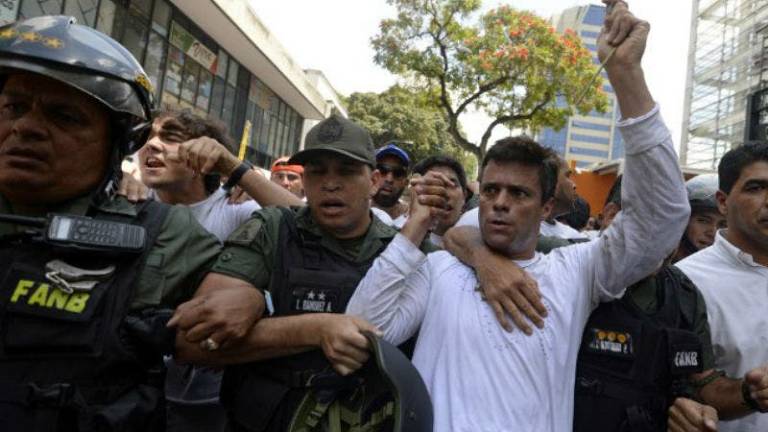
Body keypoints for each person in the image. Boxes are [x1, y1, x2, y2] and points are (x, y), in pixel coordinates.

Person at [346, 3, 692, 430]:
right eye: (491, 190)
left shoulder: (576, 271)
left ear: (547, 208)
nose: (500, 202)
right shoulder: (437, 270)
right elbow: (364, 329)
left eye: (519, 193)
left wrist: (626, 75)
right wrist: (416, 228)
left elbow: (659, 220)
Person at [0, 16, 255, 431]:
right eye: (13, 107)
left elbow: (294, 235)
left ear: (117, 140)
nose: (25, 127)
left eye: (64, 116)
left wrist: (250, 296)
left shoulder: (162, 231)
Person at [166, 114, 436, 431]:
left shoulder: (405, 252)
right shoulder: (272, 229)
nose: (330, 183)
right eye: (317, 171)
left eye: (347, 171)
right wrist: (311, 329)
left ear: (374, 181)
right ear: (304, 180)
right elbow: (190, 342)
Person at [134, 110, 303, 432]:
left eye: (170, 137)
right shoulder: (128, 201)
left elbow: (306, 228)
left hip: (210, 401)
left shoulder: (237, 210)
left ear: (205, 152)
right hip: (132, 392)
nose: (151, 145)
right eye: (146, 137)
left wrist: (237, 170)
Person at [675, 142, 768, 431]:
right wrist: (751, 393)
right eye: (756, 188)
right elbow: (687, 389)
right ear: (723, 202)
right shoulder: (686, 281)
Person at [456, 154, 588, 241]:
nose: (574, 185)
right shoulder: (477, 220)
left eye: (517, 193)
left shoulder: (574, 239)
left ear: (547, 208)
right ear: (552, 181)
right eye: (567, 176)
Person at [410, 155, 471, 247]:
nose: (444, 193)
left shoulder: (483, 236)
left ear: (464, 197)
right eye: (434, 184)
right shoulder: (401, 237)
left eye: (452, 184)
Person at [672, 174, 727, 263]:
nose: (713, 233)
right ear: (685, 221)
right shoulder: (656, 263)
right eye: (703, 221)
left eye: (723, 225)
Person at [371, 142, 410, 227]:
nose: (389, 179)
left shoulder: (413, 220)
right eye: (382, 170)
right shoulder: (353, 212)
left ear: (406, 183)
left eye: (398, 173)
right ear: (372, 175)